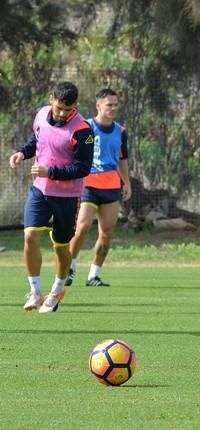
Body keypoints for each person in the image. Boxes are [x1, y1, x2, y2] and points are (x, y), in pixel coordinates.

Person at [9, 81, 93, 313]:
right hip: (40, 190)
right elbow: (37, 141)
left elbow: (83, 168)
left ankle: (57, 289)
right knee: (29, 237)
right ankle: (35, 291)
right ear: (51, 100)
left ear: (75, 105)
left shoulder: (83, 130)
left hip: (67, 197)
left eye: (68, 109)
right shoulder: (41, 115)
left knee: (60, 247)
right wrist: (22, 153)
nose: (62, 113)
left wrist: (51, 172)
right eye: (58, 108)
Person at [66, 88, 131, 287]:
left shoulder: (120, 131)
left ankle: (94, 275)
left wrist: (126, 182)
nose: (113, 108)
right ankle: (69, 268)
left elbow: (122, 159)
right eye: (109, 104)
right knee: (82, 227)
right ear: (98, 106)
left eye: (115, 105)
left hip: (111, 186)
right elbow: (74, 151)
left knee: (107, 232)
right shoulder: (87, 128)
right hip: (88, 184)